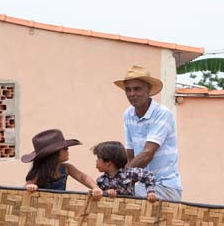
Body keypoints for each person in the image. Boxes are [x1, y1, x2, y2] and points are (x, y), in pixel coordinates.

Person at [114, 65, 182, 201]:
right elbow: (130, 155)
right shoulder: (128, 114)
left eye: (137, 89)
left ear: (149, 90)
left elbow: (147, 154)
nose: (132, 94)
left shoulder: (162, 113)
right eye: (128, 90)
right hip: (143, 185)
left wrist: (119, 179)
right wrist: (124, 183)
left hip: (164, 185)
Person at [22, 129, 102, 198]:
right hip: (43, 207)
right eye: (65, 149)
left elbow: (82, 177)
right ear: (54, 154)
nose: (68, 150)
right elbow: (27, 186)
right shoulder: (41, 171)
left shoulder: (67, 168)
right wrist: (30, 187)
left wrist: (95, 188)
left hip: (59, 205)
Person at [92, 141, 157, 202]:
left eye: (98, 158)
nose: (96, 161)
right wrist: (105, 193)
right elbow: (99, 197)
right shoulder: (101, 181)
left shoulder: (129, 173)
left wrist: (150, 192)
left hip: (129, 208)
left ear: (108, 162)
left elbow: (149, 176)